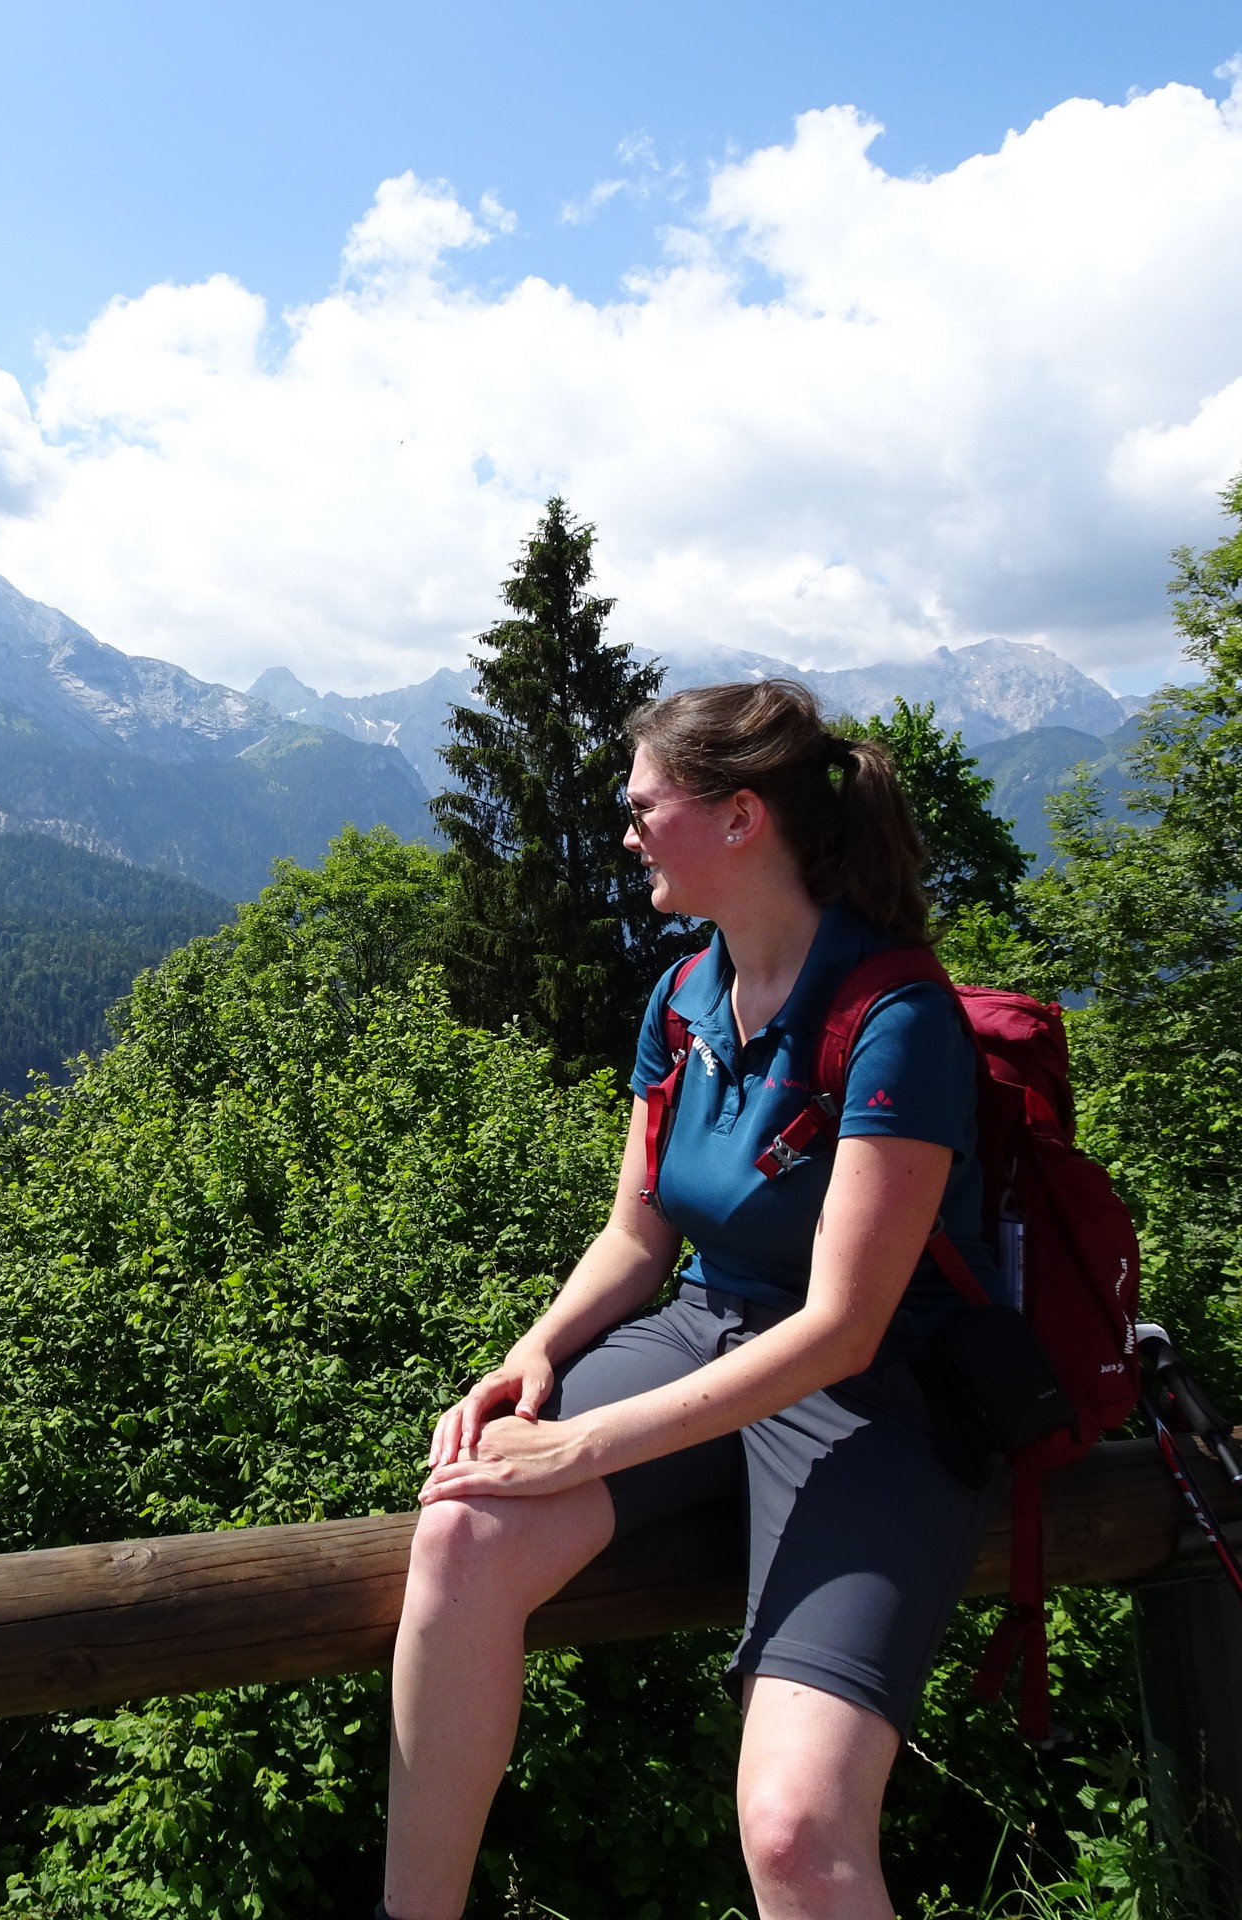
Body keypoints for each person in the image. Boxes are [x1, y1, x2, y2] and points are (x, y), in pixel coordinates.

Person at [382, 679, 1003, 1920]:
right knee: (459, 1529)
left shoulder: (895, 1017)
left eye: (644, 805)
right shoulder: (682, 996)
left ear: (738, 820)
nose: (624, 831)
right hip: (702, 1333)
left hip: (871, 1398)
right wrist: (537, 1354)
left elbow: (842, 1329)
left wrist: (589, 1442)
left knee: (794, 1831)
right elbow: (638, 1231)